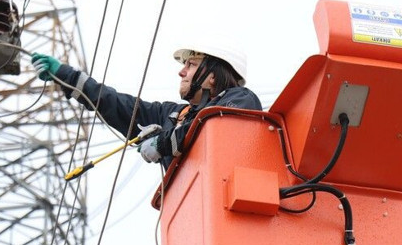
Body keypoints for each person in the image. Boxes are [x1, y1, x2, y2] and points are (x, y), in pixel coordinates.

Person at [30, 44, 262, 169]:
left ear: (212, 76)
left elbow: (214, 127)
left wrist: (163, 142)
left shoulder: (242, 100)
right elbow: (117, 104)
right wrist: (66, 76)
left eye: (190, 65)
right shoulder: (173, 115)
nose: (181, 72)